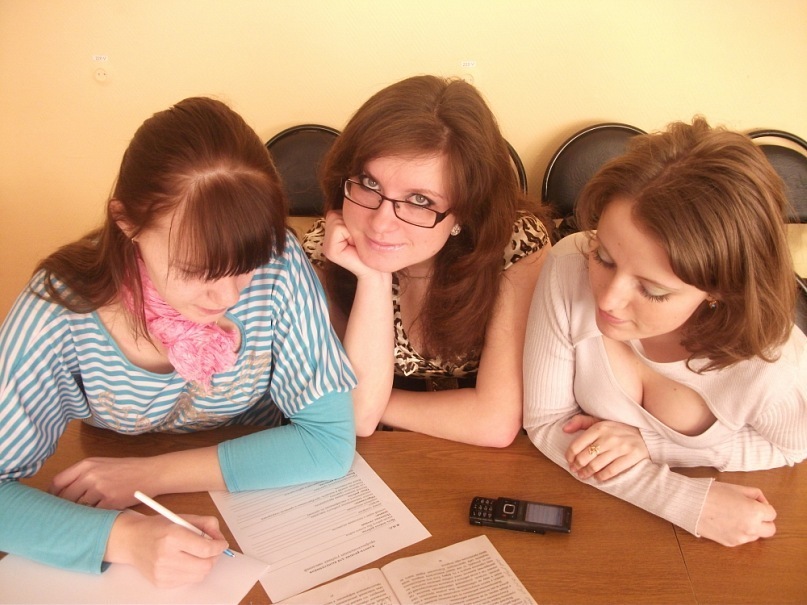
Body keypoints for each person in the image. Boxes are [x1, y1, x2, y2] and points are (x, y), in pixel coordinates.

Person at [0, 97, 356, 585]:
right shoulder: (59, 311)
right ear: (127, 222)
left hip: (255, 482)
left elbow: (328, 441)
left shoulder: (279, 261)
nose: (228, 297)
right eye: (196, 270)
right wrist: (125, 538)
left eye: (246, 266)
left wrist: (152, 475)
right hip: (121, 480)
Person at [523, 117, 807, 547]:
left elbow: (791, 449)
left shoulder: (773, 366)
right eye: (604, 256)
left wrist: (653, 444)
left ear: (718, 291)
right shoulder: (568, 265)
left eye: (652, 291)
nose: (607, 300)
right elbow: (547, 422)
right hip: (596, 523)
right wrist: (686, 500)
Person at [301, 75, 551, 446]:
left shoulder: (515, 244)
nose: (380, 224)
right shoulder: (329, 248)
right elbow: (358, 416)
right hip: (374, 451)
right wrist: (373, 278)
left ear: (465, 212)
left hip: (478, 458)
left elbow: (495, 423)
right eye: (369, 184)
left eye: (420, 200)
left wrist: (371, 400)